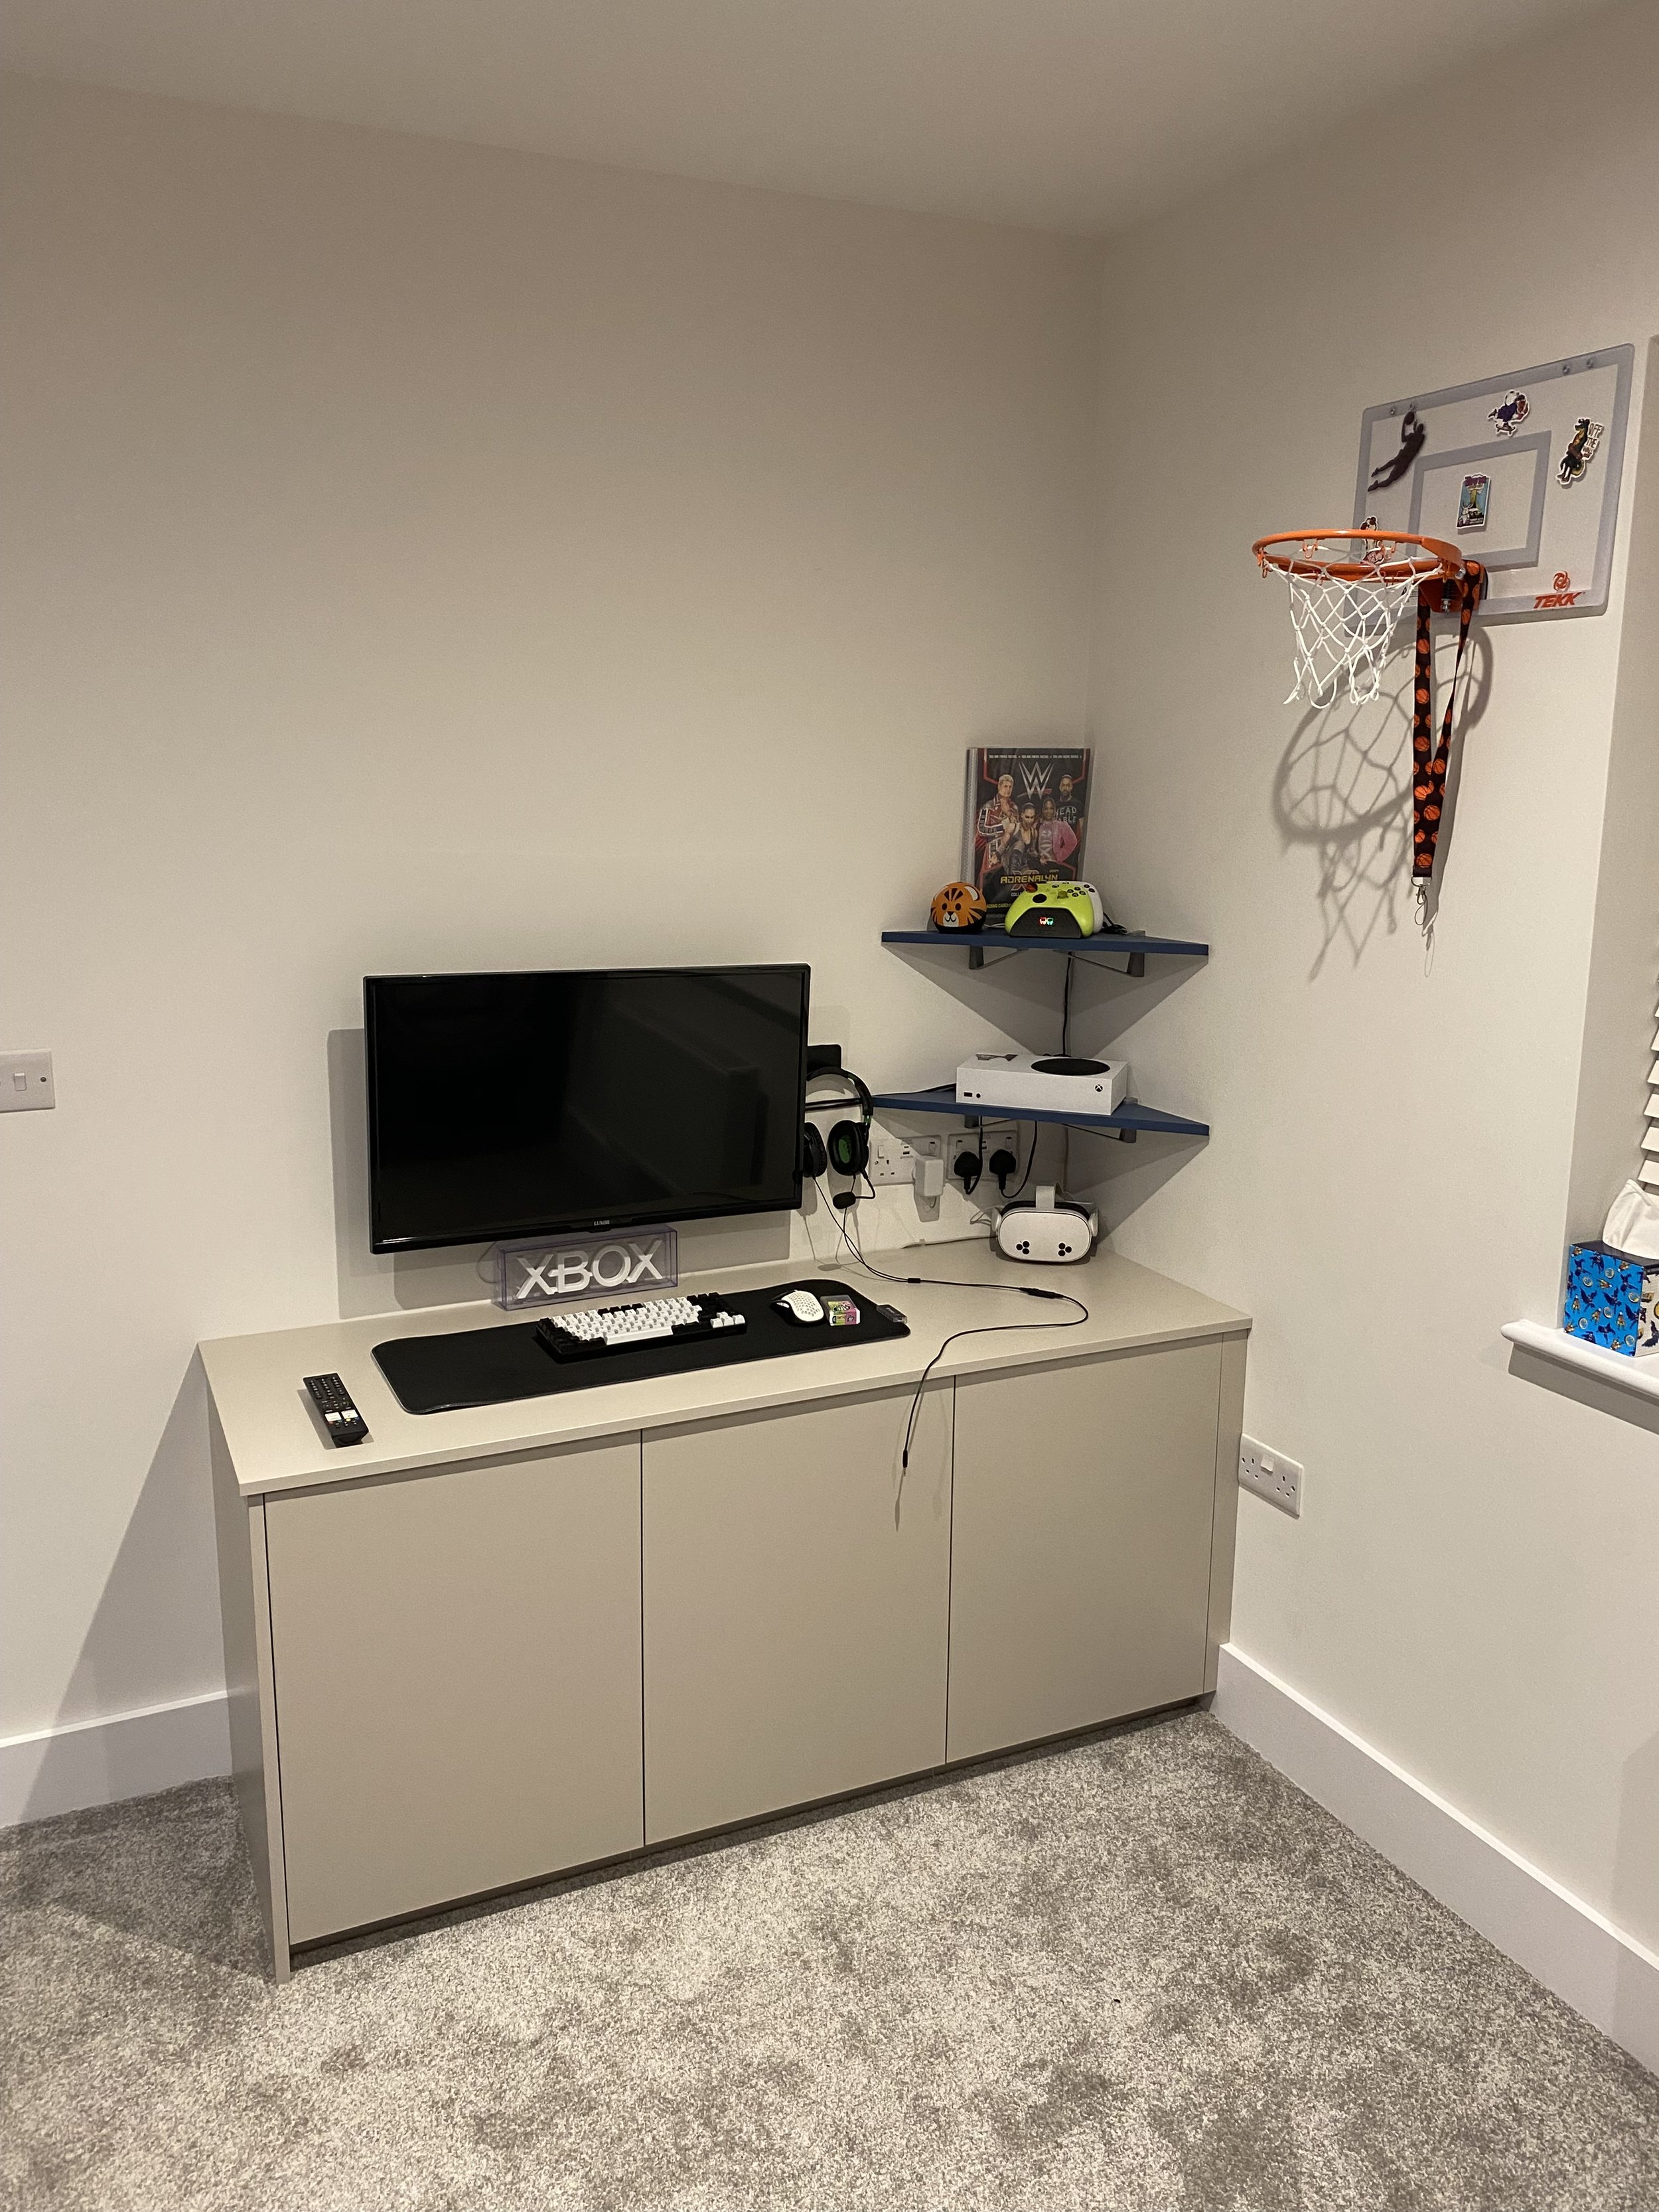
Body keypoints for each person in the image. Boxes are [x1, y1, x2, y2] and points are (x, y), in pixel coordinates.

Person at [974, 771, 1019, 895]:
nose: (1008, 790)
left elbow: (1017, 828)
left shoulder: (1014, 807)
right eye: (1005, 786)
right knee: (987, 887)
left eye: (1010, 787)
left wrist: (1010, 816)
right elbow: (981, 829)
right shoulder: (989, 806)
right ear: (999, 787)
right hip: (992, 850)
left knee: (1007, 888)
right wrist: (1002, 827)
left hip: (1009, 851)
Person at [1037, 794, 1078, 871]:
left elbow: (1073, 842)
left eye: (1051, 808)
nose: (1049, 811)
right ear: (1043, 810)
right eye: (1046, 809)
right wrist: (1039, 857)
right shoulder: (1038, 825)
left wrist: (1059, 856)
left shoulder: (1061, 825)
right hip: (1039, 865)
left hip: (1054, 865)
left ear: (1055, 810)